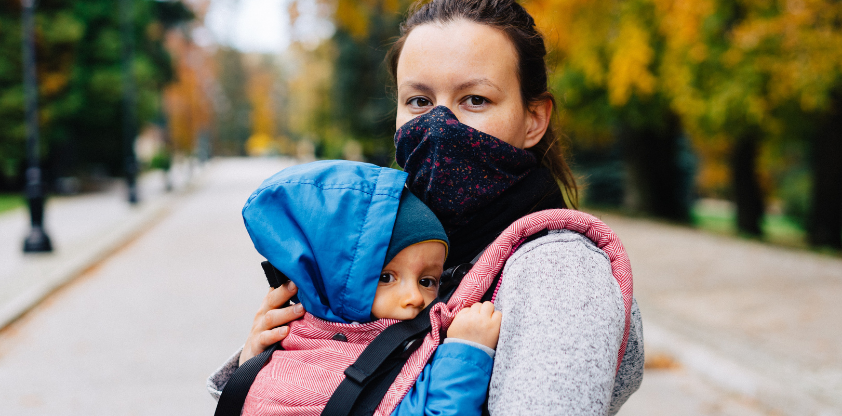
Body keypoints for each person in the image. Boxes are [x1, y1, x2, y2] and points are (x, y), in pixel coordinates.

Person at [212, 1, 644, 414]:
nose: (439, 126)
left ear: (534, 119)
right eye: (419, 101)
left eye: (475, 99)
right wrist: (263, 367)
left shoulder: (558, 272)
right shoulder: (391, 243)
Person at [212, 160, 502, 415]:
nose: (414, 297)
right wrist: (467, 352)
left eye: (427, 281)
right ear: (333, 281)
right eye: (386, 277)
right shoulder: (294, 371)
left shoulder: (402, 338)